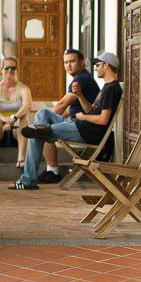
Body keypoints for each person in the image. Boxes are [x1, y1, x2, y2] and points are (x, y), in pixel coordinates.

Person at [11, 51, 122, 191]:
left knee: (36, 133)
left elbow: (103, 119)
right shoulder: (106, 87)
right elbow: (90, 110)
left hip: (87, 131)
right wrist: (80, 96)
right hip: (81, 125)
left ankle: (28, 179)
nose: (95, 68)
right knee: (43, 113)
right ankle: (40, 129)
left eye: (97, 65)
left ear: (106, 66)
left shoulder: (111, 89)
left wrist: (83, 117)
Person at [31, 48, 100, 184]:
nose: (68, 65)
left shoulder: (82, 79)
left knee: (43, 126)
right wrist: (51, 118)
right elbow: (70, 109)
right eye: (66, 62)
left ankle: (52, 171)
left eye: (72, 61)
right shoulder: (82, 77)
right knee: (43, 117)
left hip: (84, 128)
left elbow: (62, 104)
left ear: (81, 62)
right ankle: (51, 170)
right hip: (78, 123)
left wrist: (47, 120)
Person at [0, 57, 32, 168]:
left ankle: (21, 157)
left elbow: (27, 106)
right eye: (7, 68)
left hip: (16, 131)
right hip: (0, 131)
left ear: (17, 70)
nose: (10, 71)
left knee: (24, 118)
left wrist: (14, 118)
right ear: (1, 69)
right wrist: (4, 119)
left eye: (13, 68)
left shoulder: (23, 88)